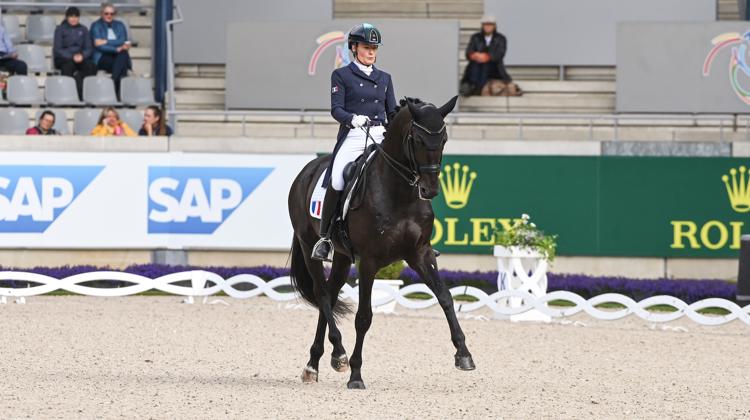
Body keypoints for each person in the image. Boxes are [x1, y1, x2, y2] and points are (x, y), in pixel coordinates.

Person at [311, 23, 396, 261]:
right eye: (367, 47)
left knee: (407, 170)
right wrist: (352, 119)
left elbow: (392, 112)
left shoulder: (385, 78)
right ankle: (325, 238)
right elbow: (336, 109)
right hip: (355, 134)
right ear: (354, 48)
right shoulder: (341, 75)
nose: (371, 52)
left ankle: (418, 235)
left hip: (380, 134)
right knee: (338, 177)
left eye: (374, 48)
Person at [459, 15, 515, 96]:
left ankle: (476, 87)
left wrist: (486, 57)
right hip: (477, 65)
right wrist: (475, 55)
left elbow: (499, 54)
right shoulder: (476, 37)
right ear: (482, 25)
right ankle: (473, 86)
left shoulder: (501, 38)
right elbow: (468, 52)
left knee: (485, 66)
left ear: (494, 26)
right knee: (475, 64)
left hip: (494, 68)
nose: (488, 27)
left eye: (490, 24)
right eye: (486, 24)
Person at [53, 7, 97, 100]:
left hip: (80, 57)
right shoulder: (60, 29)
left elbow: (89, 47)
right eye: (71, 16)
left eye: (76, 16)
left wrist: (82, 56)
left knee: (91, 66)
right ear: (67, 17)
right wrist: (71, 56)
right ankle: (69, 95)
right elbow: (58, 49)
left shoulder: (84, 29)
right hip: (65, 58)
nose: (73, 19)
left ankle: (86, 94)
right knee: (67, 67)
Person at [90, 2, 131, 98]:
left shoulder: (120, 25)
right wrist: (116, 49)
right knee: (122, 65)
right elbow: (99, 47)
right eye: (106, 13)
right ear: (101, 13)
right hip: (102, 56)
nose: (109, 16)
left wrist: (105, 41)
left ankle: (113, 80)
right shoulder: (96, 25)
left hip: (119, 55)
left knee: (123, 55)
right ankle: (120, 97)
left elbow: (123, 41)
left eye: (112, 14)